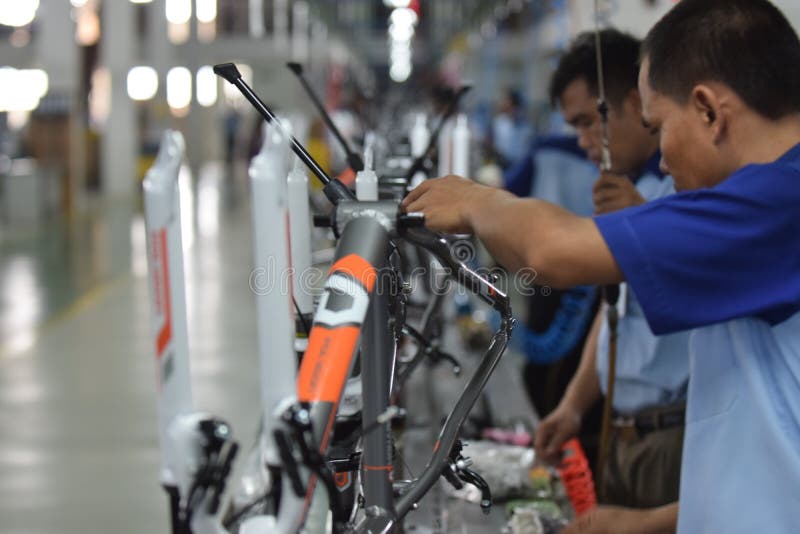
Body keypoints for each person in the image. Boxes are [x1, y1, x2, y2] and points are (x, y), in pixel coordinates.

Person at [402, 0, 800, 532]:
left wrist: (475, 200)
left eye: (660, 127)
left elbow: (551, 253)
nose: (662, 160)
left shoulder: (778, 203)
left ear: (708, 110)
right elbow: (769, 447)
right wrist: (651, 522)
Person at [533, 29, 690, 509]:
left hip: (671, 433)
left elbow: (696, 288)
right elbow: (613, 310)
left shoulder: (683, 195)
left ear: (635, 104)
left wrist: (643, 222)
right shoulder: (630, 192)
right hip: (621, 432)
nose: (583, 142)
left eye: (588, 123)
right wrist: (573, 407)